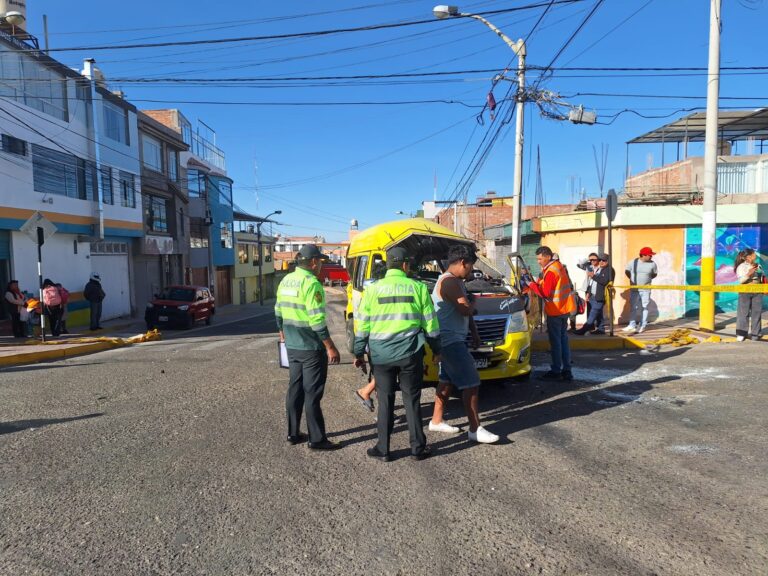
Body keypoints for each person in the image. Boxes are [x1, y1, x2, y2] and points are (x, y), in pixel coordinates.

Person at [354, 246, 441, 461]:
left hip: (381, 356)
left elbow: (362, 324)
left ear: (387, 265)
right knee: (412, 400)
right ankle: (418, 449)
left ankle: (383, 449)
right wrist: (436, 349)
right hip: (410, 354)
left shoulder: (373, 290)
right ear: (405, 265)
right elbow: (431, 323)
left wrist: (358, 351)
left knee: (385, 401)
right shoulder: (418, 287)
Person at [428, 244, 500, 444]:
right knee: (472, 382)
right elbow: (465, 310)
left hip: (452, 338)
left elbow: (464, 313)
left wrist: (474, 333)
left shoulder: (455, 281)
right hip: (450, 340)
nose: (470, 271)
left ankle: (436, 420)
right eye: (470, 266)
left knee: (446, 381)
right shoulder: (450, 282)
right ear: (462, 263)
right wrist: (475, 304)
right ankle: (475, 428)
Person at [275, 244, 341, 450]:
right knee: (312, 393)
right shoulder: (311, 283)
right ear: (313, 262)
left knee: (295, 389)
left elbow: (278, 311)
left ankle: (293, 433)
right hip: (311, 347)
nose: (321, 265)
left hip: (292, 345)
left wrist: (282, 333)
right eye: (320, 261)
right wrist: (330, 346)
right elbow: (317, 321)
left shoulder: (286, 280)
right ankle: (317, 439)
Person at [525, 246, 576, 381]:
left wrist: (531, 285)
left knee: (556, 343)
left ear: (547, 256)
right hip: (564, 309)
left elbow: (545, 293)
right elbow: (552, 285)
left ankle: (556, 370)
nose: (538, 261)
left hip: (555, 310)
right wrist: (539, 282)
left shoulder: (551, 271)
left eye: (540, 258)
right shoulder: (557, 266)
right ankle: (566, 370)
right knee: (563, 340)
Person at [573, 253, 614, 335]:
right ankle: (601, 329)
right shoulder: (599, 269)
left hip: (600, 296)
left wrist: (593, 276)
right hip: (592, 295)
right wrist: (588, 293)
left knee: (593, 314)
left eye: (604, 260)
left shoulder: (609, 270)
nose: (601, 262)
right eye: (600, 260)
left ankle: (583, 330)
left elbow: (604, 281)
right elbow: (591, 283)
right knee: (598, 314)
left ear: (607, 261)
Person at [623, 247, 658, 334]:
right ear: (643, 255)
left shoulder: (653, 264)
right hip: (634, 289)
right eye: (649, 255)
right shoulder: (633, 262)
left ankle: (642, 325)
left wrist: (646, 280)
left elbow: (654, 274)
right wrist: (632, 280)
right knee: (633, 306)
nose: (651, 257)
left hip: (646, 289)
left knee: (644, 307)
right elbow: (627, 271)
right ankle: (632, 324)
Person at [734, 248, 764, 342]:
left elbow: (762, 278)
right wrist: (749, 273)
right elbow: (741, 281)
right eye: (754, 254)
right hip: (745, 291)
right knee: (743, 313)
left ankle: (755, 334)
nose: (755, 255)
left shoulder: (758, 265)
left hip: (757, 291)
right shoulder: (741, 267)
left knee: (756, 313)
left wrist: (761, 276)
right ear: (749, 256)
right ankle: (741, 333)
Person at [576, 252, 600, 331]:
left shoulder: (601, 267)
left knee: (597, 309)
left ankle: (598, 325)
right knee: (589, 308)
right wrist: (588, 259)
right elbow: (579, 265)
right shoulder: (588, 266)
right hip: (588, 289)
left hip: (597, 290)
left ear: (598, 259)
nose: (592, 261)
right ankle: (590, 325)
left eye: (594, 259)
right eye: (591, 260)